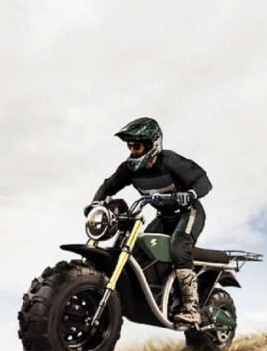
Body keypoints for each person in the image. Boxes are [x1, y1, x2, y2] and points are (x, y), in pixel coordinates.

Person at [86, 117, 212, 328]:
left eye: (136, 145)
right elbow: (108, 187)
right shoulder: (129, 169)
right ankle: (159, 293)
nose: (132, 150)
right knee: (138, 248)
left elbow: (204, 181)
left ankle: (191, 307)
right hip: (163, 216)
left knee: (178, 246)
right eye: (129, 146)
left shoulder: (170, 161)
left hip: (188, 213)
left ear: (152, 143)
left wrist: (190, 194)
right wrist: (95, 204)